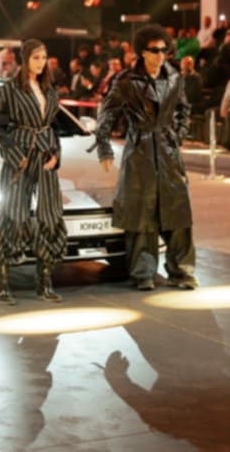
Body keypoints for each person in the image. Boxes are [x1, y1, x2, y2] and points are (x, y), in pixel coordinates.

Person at [94, 23, 197, 292]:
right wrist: (104, 148)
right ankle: (143, 273)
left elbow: (184, 109)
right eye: (155, 50)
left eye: (164, 50)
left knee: (178, 214)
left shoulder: (174, 77)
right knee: (142, 216)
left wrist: (178, 135)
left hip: (168, 152)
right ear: (142, 51)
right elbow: (107, 114)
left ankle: (182, 271)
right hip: (139, 151)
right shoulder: (126, 81)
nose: (161, 55)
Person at [0, 38, 67, 305]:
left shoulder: (50, 89)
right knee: (13, 215)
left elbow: (54, 126)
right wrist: (15, 155)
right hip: (20, 158)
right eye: (35, 57)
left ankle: (44, 284)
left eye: (43, 57)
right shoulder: (8, 90)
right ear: (25, 60)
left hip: (45, 158)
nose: (41, 62)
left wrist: (56, 154)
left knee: (50, 216)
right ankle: (2, 285)